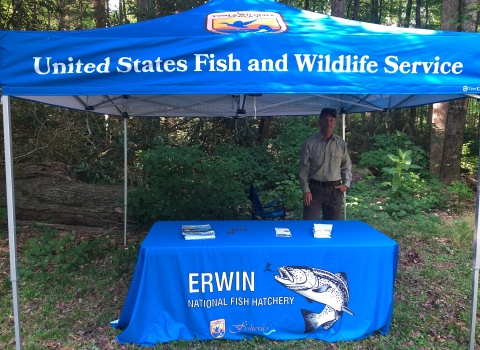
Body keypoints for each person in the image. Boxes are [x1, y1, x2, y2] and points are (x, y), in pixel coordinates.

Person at [299, 108, 352, 220]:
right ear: (320, 121)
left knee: (332, 228)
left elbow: (346, 165)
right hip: (314, 190)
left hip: (335, 190)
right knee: (309, 225)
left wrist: (346, 184)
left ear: (335, 122)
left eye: (331, 120)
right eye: (325, 119)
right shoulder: (309, 144)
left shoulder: (341, 144)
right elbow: (303, 170)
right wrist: (306, 190)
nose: (328, 123)